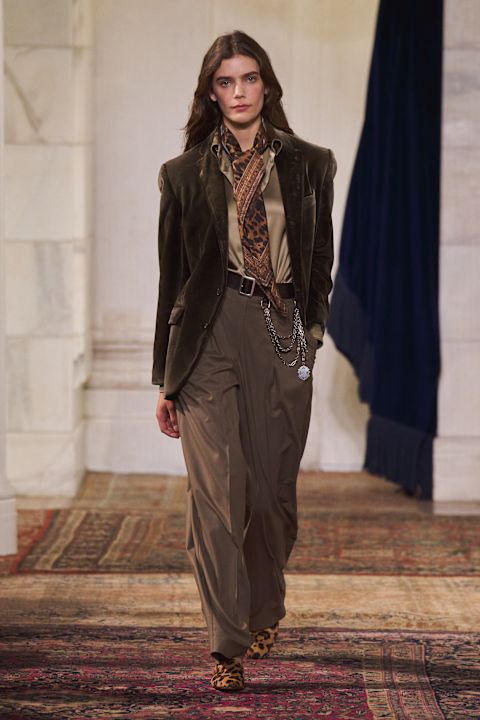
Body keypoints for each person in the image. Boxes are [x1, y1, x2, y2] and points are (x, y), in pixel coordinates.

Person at [153, 30, 337, 692]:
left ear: (267, 85)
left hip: (280, 330)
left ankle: (264, 607)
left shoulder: (312, 165)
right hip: (207, 336)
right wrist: (165, 379)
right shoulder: (182, 174)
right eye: (225, 82)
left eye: (249, 78)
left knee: (269, 494)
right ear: (211, 93)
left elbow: (319, 262)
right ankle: (225, 642)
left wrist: (311, 334)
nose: (238, 92)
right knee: (218, 494)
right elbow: (171, 280)